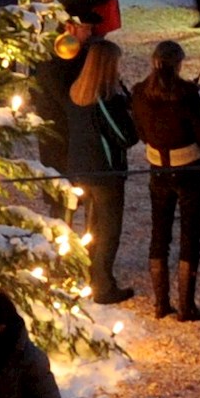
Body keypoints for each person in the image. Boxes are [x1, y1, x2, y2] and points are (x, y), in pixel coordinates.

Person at [129, 35, 200, 320]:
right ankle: (186, 306)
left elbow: (141, 132)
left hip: (158, 167)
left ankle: (161, 303)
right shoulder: (186, 94)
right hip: (188, 168)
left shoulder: (139, 91)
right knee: (190, 234)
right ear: (179, 65)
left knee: (160, 233)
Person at [46, 21, 134, 301]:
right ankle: (103, 285)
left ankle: (86, 275)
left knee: (91, 228)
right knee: (108, 230)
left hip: (80, 167)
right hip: (105, 171)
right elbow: (125, 136)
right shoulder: (106, 99)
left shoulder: (76, 93)